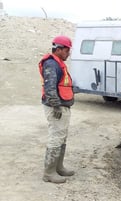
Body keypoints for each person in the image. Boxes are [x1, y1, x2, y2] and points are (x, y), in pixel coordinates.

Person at [39, 35, 75, 184]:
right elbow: (50, 87)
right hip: (56, 108)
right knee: (56, 138)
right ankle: (49, 173)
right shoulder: (51, 64)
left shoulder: (58, 64)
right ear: (59, 49)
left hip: (62, 106)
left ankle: (58, 167)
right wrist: (55, 106)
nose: (68, 53)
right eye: (67, 51)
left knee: (61, 137)